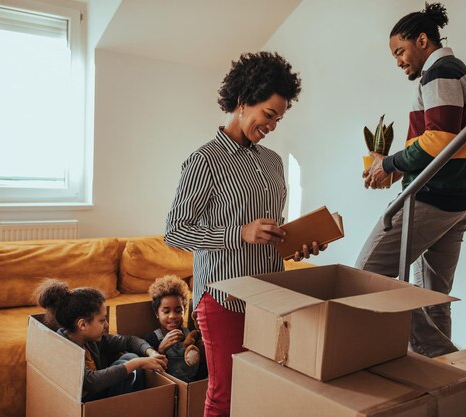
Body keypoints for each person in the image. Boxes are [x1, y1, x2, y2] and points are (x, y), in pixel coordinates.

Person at [165, 51, 325, 417]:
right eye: (268, 115)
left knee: (264, 389)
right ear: (242, 102)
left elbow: (270, 232)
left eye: (278, 119)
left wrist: (297, 244)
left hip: (269, 294)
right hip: (223, 296)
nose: (272, 126)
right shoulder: (204, 161)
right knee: (225, 395)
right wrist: (239, 233)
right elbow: (175, 232)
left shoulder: (272, 162)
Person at [355, 2, 466, 358]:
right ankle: (444, 379)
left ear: (422, 40)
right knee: (432, 300)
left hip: (436, 198)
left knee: (365, 276)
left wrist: (389, 162)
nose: (397, 60)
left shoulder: (439, 72)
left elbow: (439, 140)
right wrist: (398, 168)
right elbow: (443, 141)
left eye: (400, 51)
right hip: (461, 198)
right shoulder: (453, 70)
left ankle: (446, 362)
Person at [36, 279, 168, 401]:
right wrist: (137, 363)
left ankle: (134, 405)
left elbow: (129, 341)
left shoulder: (90, 339)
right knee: (132, 361)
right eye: (102, 320)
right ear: (83, 325)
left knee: (129, 356)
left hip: (98, 393)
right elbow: (91, 382)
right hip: (84, 402)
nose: (107, 325)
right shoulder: (64, 348)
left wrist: (151, 352)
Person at [144, 275, 206, 382]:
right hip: (169, 385)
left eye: (178, 311)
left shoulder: (189, 334)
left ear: (184, 311)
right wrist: (161, 350)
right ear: (157, 313)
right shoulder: (153, 338)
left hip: (193, 384)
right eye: (166, 311)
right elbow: (151, 371)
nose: (172, 316)